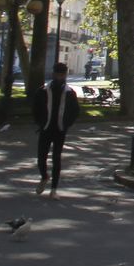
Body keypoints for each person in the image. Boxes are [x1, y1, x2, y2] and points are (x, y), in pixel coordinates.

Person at [32, 61, 80, 196]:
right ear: (53, 74)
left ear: (65, 75)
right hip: (46, 127)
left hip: (60, 129)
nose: (59, 77)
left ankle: (54, 189)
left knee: (56, 158)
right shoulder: (43, 91)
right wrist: (40, 122)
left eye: (62, 75)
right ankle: (44, 176)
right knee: (41, 157)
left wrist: (66, 124)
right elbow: (36, 108)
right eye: (57, 74)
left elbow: (75, 111)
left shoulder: (70, 93)